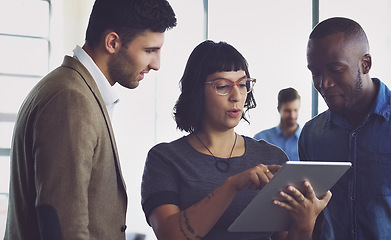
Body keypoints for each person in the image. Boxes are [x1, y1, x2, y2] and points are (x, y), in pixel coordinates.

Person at [4, 0, 176, 239]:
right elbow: (64, 224)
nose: (156, 65)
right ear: (112, 42)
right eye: (150, 50)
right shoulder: (71, 99)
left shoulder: (76, 89)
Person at [141, 40, 331, 240]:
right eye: (222, 86)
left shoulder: (272, 156)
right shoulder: (165, 159)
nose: (236, 96)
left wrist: (305, 223)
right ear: (197, 91)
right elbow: (171, 236)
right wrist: (233, 185)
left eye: (242, 84)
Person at [299, 17, 391, 239]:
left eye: (336, 69)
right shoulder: (312, 135)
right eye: (315, 72)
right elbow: (315, 218)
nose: (323, 83)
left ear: (365, 64)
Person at [254, 87, 301, 161]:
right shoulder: (261, 139)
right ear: (279, 109)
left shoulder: (308, 140)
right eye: (287, 111)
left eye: (295, 110)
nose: (292, 115)